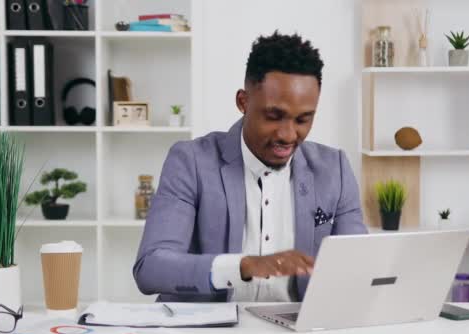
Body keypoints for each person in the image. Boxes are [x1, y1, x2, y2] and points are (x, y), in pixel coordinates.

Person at [133, 31, 367, 302]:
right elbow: (151, 267)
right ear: (243, 102)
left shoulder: (333, 169)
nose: (288, 135)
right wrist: (241, 266)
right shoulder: (192, 162)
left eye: (303, 119)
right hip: (210, 332)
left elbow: (358, 267)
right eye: (273, 116)